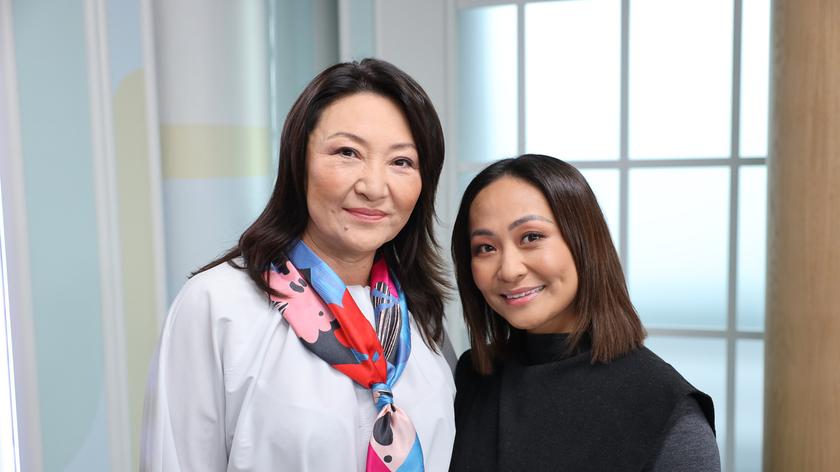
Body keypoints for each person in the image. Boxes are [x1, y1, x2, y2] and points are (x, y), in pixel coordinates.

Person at [141, 58, 455, 471]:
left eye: (402, 162)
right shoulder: (218, 305)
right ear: (297, 162)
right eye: (347, 153)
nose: (374, 187)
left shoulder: (418, 316)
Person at [448, 154, 720, 471]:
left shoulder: (666, 408)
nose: (509, 270)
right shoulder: (471, 377)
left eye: (532, 237)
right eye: (485, 247)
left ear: (584, 242)